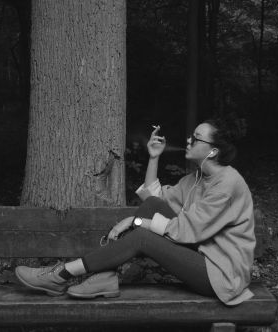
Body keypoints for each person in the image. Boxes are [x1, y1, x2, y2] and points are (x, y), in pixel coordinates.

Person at [15, 119, 255, 306]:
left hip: (222, 275)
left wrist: (136, 220)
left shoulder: (227, 184)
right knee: (151, 209)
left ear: (212, 151)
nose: (188, 140)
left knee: (142, 235)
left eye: (196, 138)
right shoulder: (196, 178)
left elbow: (188, 230)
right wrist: (154, 158)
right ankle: (105, 276)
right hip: (202, 255)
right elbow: (154, 201)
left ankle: (62, 273)